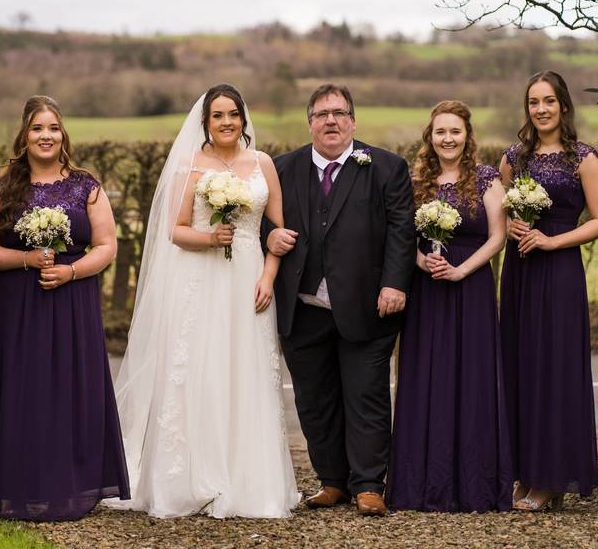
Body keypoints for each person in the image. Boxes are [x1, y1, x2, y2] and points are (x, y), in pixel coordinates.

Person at [107, 84, 298, 518]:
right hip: (201, 278)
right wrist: (210, 237)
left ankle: (249, 479)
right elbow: (176, 230)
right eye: (218, 116)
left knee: (245, 369)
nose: (227, 122)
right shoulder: (189, 167)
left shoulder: (263, 164)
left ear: (243, 120)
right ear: (205, 122)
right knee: (198, 369)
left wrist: (268, 275)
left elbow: (278, 231)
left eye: (234, 114)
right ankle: (192, 477)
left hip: (249, 278)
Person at [0, 95, 129, 521]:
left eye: (53, 128)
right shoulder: (1, 186)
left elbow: (106, 245)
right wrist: (26, 260)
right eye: (37, 128)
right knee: (21, 390)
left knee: (69, 387)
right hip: (15, 304)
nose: (46, 136)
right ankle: (16, 484)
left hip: (71, 300)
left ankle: (72, 484)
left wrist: (71, 271)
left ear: (63, 135)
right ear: (24, 136)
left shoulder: (85, 185)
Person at [265, 84, 416, 516]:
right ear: (309, 121)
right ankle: (332, 481)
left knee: (366, 395)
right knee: (315, 400)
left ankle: (369, 484)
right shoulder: (282, 169)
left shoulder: (386, 166)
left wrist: (394, 284)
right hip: (303, 305)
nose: (331, 121)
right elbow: (260, 222)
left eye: (339, 113)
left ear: (353, 120)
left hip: (367, 306)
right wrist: (269, 235)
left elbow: (402, 230)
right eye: (321, 114)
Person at [385, 100, 512, 513]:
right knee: (425, 376)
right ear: (430, 136)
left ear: (467, 135)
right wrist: (421, 262)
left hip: (470, 287)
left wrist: (462, 270)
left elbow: (498, 237)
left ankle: (474, 485)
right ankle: (420, 484)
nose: (448, 139)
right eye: (440, 131)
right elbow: (401, 234)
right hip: (427, 291)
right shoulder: (417, 179)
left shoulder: (488, 178)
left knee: (472, 377)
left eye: (455, 131)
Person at [499, 71, 598, 511]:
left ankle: (550, 478)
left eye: (548, 101)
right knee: (519, 364)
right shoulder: (515, 158)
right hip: (521, 271)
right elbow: (498, 211)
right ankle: (523, 471)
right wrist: (510, 226)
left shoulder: (583, 158)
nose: (541, 109)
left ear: (563, 105)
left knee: (554, 367)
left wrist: (551, 240)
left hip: (560, 269)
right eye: (533, 102)